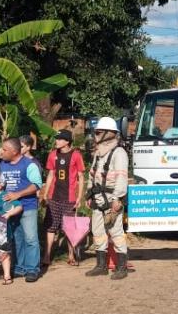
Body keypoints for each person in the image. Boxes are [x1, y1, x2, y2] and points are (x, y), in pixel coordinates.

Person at [85, 117, 130, 280]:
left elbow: (122, 178)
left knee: (116, 232)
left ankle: (121, 267)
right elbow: (92, 174)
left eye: (98, 132)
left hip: (112, 199)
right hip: (97, 199)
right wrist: (89, 194)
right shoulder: (98, 153)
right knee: (98, 232)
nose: (95, 135)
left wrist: (118, 199)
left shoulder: (119, 153)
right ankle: (101, 266)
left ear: (109, 134)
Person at [0, 138, 44, 282]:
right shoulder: (3, 165)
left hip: (28, 206)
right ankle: (20, 267)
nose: (2, 152)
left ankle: (33, 269)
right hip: (11, 209)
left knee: (31, 239)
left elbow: (36, 184)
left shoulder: (29, 165)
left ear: (14, 151)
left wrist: (18, 194)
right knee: (18, 239)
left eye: (5, 149)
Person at [41, 129, 85, 267]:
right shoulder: (53, 154)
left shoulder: (76, 155)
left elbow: (81, 177)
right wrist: (45, 194)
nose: (57, 141)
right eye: (56, 139)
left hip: (69, 197)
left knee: (69, 227)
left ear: (67, 142)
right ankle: (47, 255)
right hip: (54, 197)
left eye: (60, 139)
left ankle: (71, 255)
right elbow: (50, 175)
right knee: (51, 226)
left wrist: (79, 197)